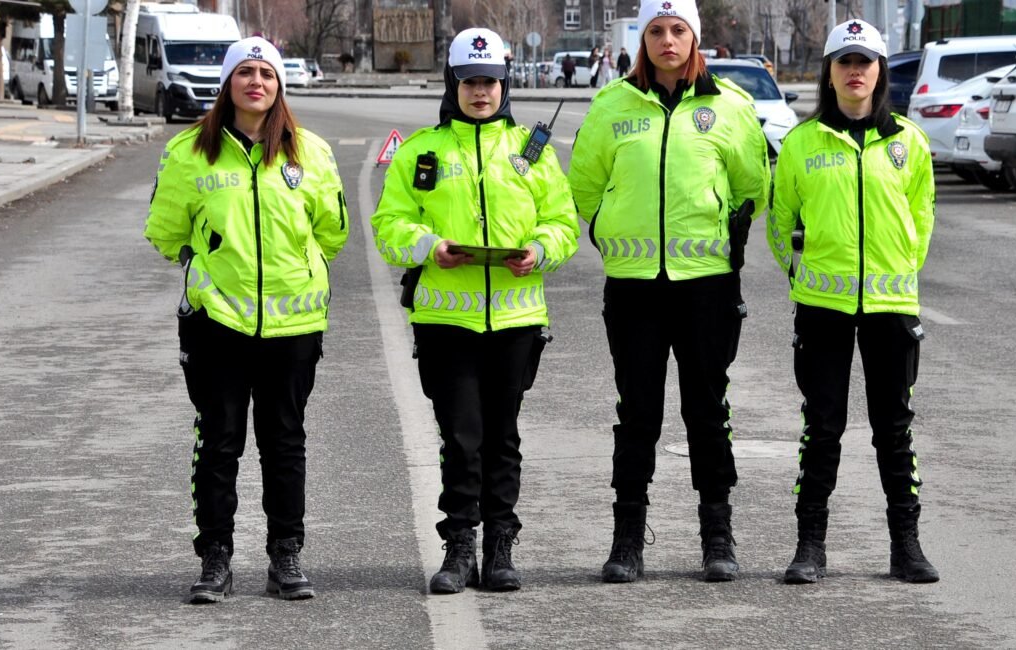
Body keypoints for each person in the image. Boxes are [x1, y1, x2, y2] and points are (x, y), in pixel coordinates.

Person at [371, 27, 579, 594]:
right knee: (461, 437)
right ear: (453, 84)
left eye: (489, 82)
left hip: (514, 322)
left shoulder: (531, 153)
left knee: (503, 436)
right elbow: (389, 225)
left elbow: (563, 223)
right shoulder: (422, 151)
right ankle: (459, 545)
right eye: (469, 82)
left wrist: (538, 251)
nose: (480, 92)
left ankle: (500, 547)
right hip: (446, 322)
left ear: (504, 84)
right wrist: (427, 247)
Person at [568, 0, 770, 584]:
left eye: (677, 29)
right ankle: (627, 538)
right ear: (642, 40)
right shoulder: (611, 105)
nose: (667, 40)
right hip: (634, 289)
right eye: (655, 31)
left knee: (708, 412)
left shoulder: (730, 108)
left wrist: (724, 231)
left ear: (694, 38)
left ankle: (717, 536)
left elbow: (753, 186)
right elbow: (583, 186)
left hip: (706, 288)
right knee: (637, 415)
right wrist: (609, 228)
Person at [143, 36, 350, 604]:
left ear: (279, 85)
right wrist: (205, 263)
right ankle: (215, 559)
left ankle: (286, 556)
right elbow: (164, 231)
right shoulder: (189, 152)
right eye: (245, 72)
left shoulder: (310, 151)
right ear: (227, 84)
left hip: (294, 327)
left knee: (284, 443)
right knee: (219, 443)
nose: (256, 82)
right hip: (218, 327)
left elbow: (332, 231)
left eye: (266, 73)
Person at [766, 19, 939, 584]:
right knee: (822, 427)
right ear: (830, 72)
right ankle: (810, 546)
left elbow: (922, 218)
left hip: (890, 310)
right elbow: (780, 221)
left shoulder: (907, 142)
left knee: (894, 428)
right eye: (845, 61)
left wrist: (899, 271)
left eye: (865, 61)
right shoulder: (802, 142)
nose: (855, 71)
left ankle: (906, 545)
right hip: (823, 308)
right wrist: (804, 275)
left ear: (880, 70)